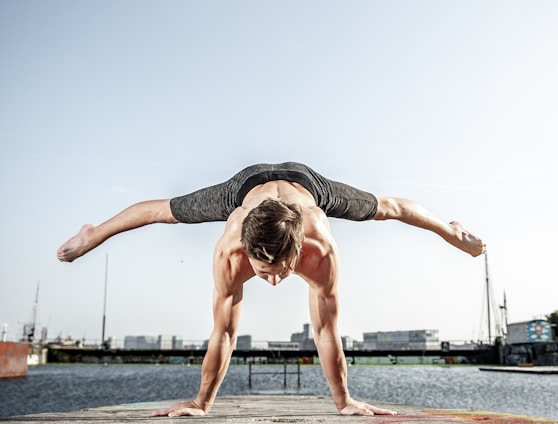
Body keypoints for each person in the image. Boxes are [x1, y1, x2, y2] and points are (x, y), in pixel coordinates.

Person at [57, 162, 486, 417]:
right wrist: (200, 403)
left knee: (386, 209)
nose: (276, 281)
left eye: (282, 270)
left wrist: (345, 402)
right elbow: (223, 331)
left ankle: (449, 229)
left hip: (306, 184)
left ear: (300, 250)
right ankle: (94, 232)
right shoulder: (230, 251)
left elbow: (326, 330)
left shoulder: (320, 251)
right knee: (165, 213)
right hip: (245, 188)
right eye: (264, 272)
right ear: (246, 253)